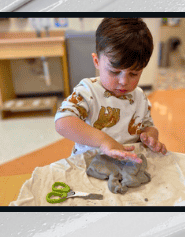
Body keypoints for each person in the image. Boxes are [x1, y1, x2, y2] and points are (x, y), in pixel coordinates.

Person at [55, 18, 166, 163]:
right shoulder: (88, 91)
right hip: (89, 164)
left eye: (134, 74)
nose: (124, 81)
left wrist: (150, 137)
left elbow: (148, 126)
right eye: (114, 72)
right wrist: (103, 141)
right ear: (97, 62)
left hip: (128, 164)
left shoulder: (139, 96)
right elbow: (62, 123)